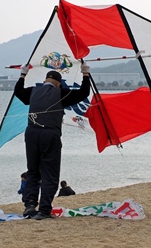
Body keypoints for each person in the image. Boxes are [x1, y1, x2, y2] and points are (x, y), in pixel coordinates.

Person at [15, 62, 90, 219]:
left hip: (31, 133)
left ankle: (29, 205)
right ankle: (43, 210)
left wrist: (23, 75)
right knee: (50, 173)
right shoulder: (61, 93)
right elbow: (83, 93)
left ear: (45, 82)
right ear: (58, 84)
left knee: (33, 171)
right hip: (49, 134)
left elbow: (19, 92)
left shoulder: (33, 91)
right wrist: (85, 73)